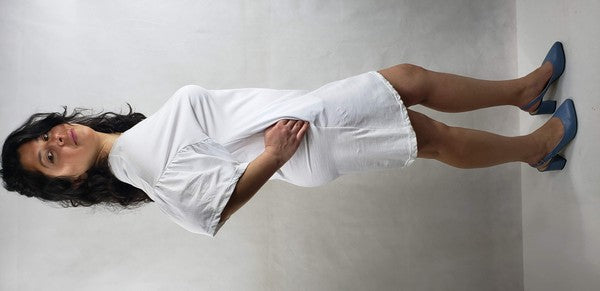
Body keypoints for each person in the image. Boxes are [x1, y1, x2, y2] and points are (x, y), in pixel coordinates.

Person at [0, 41, 577, 237]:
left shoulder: (130, 145)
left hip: (304, 119)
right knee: (430, 132)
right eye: (50, 157)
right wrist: (275, 155)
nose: (61, 139)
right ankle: (535, 146)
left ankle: (523, 95)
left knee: (412, 82)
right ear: (69, 181)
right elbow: (209, 210)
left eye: (48, 134)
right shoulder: (135, 157)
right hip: (306, 140)